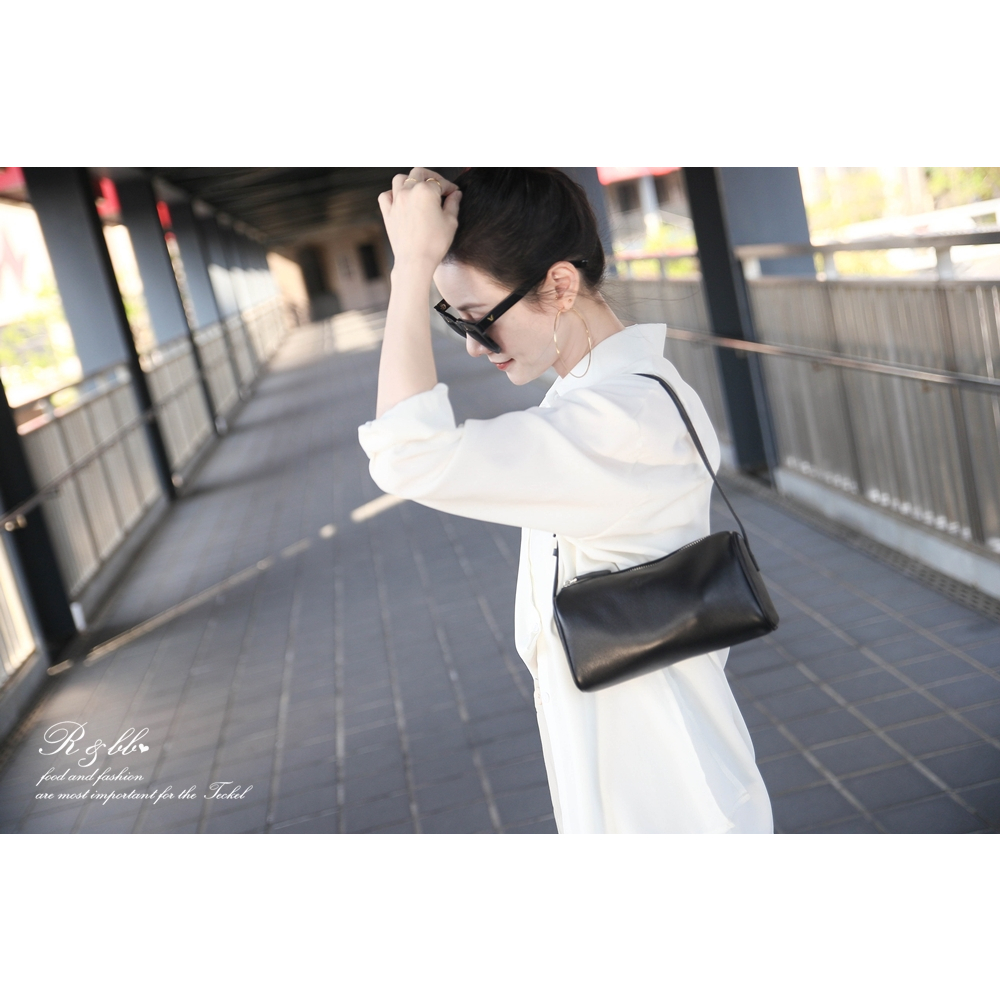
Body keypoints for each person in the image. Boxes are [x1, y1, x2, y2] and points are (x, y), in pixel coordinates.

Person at [358, 167, 773, 833]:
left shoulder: (621, 421)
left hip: (665, 794)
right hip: (647, 767)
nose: (472, 346)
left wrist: (411, 269)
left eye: (479, 320)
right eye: (453, 319)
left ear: (559, 286)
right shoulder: (606, 397)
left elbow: (407, 454)